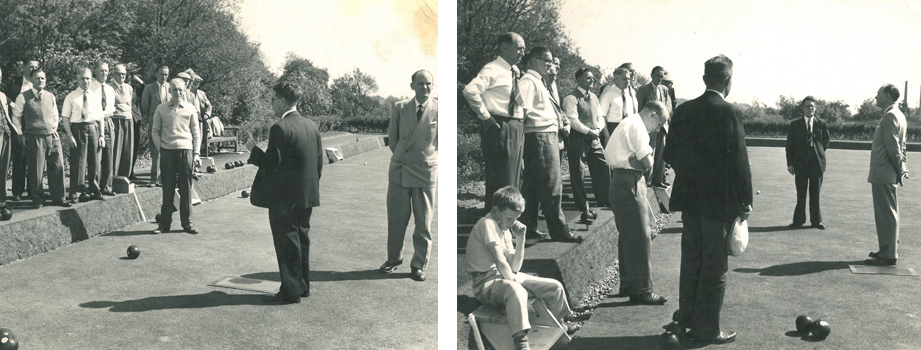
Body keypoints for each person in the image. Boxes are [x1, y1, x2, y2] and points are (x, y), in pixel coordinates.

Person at [663, 55, 750, 344]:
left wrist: (691, 175)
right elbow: (739, 161)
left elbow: (669, 153)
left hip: (690, 200)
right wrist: (745, 200)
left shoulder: (684, 109)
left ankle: (687, 318)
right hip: (718, 202)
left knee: (691, 261)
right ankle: (707, 329)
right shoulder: (730, 112)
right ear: (729, 81)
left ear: (704, 79)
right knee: (714, 267)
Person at [466, 186, 578, 350]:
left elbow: (515, 267)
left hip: (502, 276)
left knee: (554, 286)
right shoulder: (487, 224)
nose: (513, 223)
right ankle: (521, 343)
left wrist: (520, 238)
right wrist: (516, 283)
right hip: (484, 282)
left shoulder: (504, 228)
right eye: (509, 218)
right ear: (495, 211)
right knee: (516, 290)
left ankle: (559, 325)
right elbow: (500, 261)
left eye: (516, 219)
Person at [245, 82, 322, 304]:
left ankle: (290, 292)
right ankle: (302, 286)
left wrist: (253, 150)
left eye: (272, 100)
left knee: (286, 243)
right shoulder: (311, 125)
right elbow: (318, 163)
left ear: (281, 101)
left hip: (285, 198)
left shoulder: (280, 128)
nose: (271, 104)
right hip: (307, 194)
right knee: (302, 240)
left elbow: (272, 165)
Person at [605, 100, 670, 305]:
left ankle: (628, 285)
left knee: (628, 236)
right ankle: (642, 291)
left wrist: (639, 162)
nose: (658, 129)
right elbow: (648, 162)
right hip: (630, 180)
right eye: (659, 124)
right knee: (641, 237)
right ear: (652, 114)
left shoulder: (628, 122)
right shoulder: (637, 126)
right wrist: (644, 163)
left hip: (620, 179)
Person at [518, 47, 582, 243]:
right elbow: (521, 110)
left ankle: (528, 227)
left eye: (551, 61)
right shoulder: (529, 81)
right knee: (552, 184)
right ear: (533, 61)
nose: (550, 64)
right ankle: (560, 231)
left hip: (543, 135)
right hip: (540, 135)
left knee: (534, 186)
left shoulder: (539, 82)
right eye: (545, 60)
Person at [380, 70, 438, 282]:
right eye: (420, 83)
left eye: (428, 83)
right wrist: (402, 157)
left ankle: (418, 265)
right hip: (400, 169)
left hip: (425, 170)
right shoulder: (400, 107)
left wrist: (428, 158)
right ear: (412, 86)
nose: (425, 87)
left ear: (433, 85)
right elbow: (393, 139)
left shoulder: (440, 109)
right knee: (396, 220)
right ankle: (393, 259)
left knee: (423, 223)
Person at [462, 32, 526, 211]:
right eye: (519, 48)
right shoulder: (492, 69)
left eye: (524, 49)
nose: (522, 53)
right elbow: (469, 90)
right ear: (504, 48)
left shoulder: (515, 72)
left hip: (516, 125)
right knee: (502, 180)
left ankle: (509, 221)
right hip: (500, 126)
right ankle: (495, 222)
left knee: (516, 178)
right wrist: (485, 116)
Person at [11, 70, 71, 208]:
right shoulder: (23, 97)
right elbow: (16, 117)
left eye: (43, 78)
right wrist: (20, 134)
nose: (41, 81)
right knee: (36, 170)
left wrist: (53, 129)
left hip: (52, 136)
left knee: (57, 166)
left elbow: (55, 115)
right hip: (34, 137)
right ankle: (38, 199)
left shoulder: (50, 96)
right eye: (37, 78)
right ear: (31, 80)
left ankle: (59, 198)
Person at [150, 78, 201, 235]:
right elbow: (155, 131)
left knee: (186, 189)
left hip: (186, 152)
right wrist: (162, 148)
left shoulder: (190, 109)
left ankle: (187, 224)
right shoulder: (161, 108)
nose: (177, 92)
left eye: (180, 90)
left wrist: (196, 154)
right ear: (170, 91)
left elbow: (196, 133)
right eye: (174, 90)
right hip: (167, 153)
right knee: (167, 189)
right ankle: (164, 225)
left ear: (184, 90)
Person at [866, 84, 908, 266]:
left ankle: (889, 254)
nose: (876, 97)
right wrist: (902, 168)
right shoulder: (898, 115)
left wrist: (900, 169)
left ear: (888, 96)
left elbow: (893, 147)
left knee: (886, 214)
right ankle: (886, 249)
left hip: (884, 172)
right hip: (887, 171)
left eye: (879, 94)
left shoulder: (890, 116)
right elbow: (902, 146)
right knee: (888, 213)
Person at [563, 68, 609, 224]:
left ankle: (603, 199)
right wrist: (588, 131)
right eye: (588, 78)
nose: (592, 80)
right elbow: (573, 120)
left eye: (592, 78)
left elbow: (600, 117)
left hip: (594, 138)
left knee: (603, 166)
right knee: (578, 172)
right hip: (578, 139)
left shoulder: (594, 97)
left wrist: (597, 130)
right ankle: (582, 204)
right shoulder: (571, 98)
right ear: (579, 79)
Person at [62, 67, 106, 202]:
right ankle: (76, 192)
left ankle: (95, 190)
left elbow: (100, 117)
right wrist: (70, 135)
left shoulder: (95, 96)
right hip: (78, 129)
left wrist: (102, 135)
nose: (85, 81)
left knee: (95, 162)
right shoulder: (71, 96)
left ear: (91, 79)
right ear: (77, 79)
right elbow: (65, 118)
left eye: (88, 78)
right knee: (78, 162)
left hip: (93, 128)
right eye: (82, 78)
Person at [785, 96, 829, 229]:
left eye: (812, 106)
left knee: (815, 194)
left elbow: (825, 142)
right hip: (800, 163)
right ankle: (798, 221)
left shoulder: (821, 123)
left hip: (817, 164)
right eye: (808, 106)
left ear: (815, 108)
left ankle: (816, 221)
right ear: (802, 109)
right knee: (801, 193)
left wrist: (818, 153)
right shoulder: (795, 124)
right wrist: (790, 164)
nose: (810, 108)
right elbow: (789, 145)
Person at [5, 60, 39, 201]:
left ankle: (32, 191)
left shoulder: (38, 82)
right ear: (25, 67)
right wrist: (11, 103)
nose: (34, 69)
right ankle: (17, 192)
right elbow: (1, 93)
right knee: (19, 158)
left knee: (34, 159)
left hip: (34, 126)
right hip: (17, 125)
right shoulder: (13, 82)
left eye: (36, 67)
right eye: (31, 66)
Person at [636, 66, 674, 187]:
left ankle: (658, 180)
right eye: (657, 76)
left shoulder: (664, 89)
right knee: (649, 153)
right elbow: (639, 109)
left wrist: (667, 123)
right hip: (649, 127)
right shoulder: (643, 89)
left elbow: (668, 107)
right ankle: (646, 181)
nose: (659, 79)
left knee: (661, 155)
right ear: (651, 75)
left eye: (661, 76)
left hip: (662, 127)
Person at [140, 66, 171, 187]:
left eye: (166, 74)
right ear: (156, 74)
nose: (164, 77)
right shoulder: (149, 88)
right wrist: (151, 119)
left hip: (168, 124)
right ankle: (154, 179)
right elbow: (144, 106)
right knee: (155, 153)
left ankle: (164, 178)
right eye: (162, 74)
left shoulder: (170, 87)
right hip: (154, 124)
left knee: (167, 152)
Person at [91, 62, 117, 196]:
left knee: (108, 156)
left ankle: (106, 186)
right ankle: (95, 189)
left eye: (106, 71)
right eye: (101, 70)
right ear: (96, 71)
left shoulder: (110, 89)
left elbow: (111, 108)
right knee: (96, 157)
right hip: (95, 122)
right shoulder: (90, 87)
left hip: (108, 121)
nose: (104, 73)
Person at [598, 67, 637, 147]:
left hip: (628, 130)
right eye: (624, 79)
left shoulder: (630, 95)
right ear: (616, 79)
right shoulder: (608, 94)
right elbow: (602, 117)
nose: (628, 81)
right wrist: (607, 136)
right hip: (613, 129)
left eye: (628, 79)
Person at [108, 64, 135, 179]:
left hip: (128, 120)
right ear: (114, 74)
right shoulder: (109, 87)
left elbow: (129, 105)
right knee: (116, 150)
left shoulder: (129, 88)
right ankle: (114, 177)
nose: (121, 76)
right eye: (118, 74)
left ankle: (125, 177)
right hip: (116, 120)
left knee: (127, 149)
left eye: (123, 74)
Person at [186, 71, 213, 157]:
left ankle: (195, 159)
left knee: (198, 141)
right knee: (189, 141)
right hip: (188, 120)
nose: (197, 83)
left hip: (200, 120)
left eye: (198, 82)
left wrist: (207, 114)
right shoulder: (186, 93)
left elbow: (209, 106)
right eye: (195, 81)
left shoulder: (201, 93)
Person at [0, 68, 15, 212]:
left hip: (5, 134)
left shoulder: (3, 96)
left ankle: (1, 201)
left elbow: (17, 107)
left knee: (3, 169)